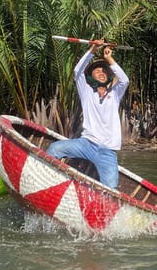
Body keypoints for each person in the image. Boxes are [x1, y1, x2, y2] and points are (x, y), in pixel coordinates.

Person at [47, 43, 130, 189]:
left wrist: (109, 58)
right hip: (86, 144)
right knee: (54, 149)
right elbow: (77, 70)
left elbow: (125, 80)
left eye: (104, 71)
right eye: (97, 71)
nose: (101, 72)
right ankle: (49, 182)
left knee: (111, 187)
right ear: (90, 75)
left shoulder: (115, 94)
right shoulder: (86, 92)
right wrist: (93, 49)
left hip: (107, 150)